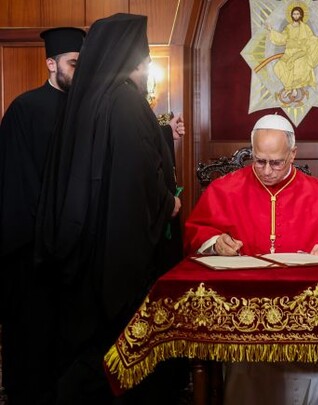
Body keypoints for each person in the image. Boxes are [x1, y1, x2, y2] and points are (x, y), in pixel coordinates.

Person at [34, 14, 184, 404]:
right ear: (133, 59)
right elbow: (136, 180)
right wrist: (168, 202)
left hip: (86, 248)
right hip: (117, 256)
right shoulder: (126, 102)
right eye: (145, 59)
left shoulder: (90, 98)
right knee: (116, 353)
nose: (146, 67)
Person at [184, 113, 318, 405]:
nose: (267, 170)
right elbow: (196, 233)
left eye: (276, 162)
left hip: (304, 318)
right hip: (242, 313)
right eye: (259, 161)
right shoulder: (224, 189)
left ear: (293, 154)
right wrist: (215, 243)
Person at [0, 26, 84, 405]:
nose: (79, 71)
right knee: (32, 339)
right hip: (32, 249)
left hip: (75, 247)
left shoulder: (87, 109)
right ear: (51, 63)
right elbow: (15, 181)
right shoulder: (25, 108)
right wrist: (44, 233)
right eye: (73, 63)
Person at [265, 4, 318, 102]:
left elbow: (311, 38)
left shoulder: (305, 27)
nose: (296, 16)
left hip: (301, 53)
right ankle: (289, 87)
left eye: (298, 14)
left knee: (296, 66)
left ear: (301, 15)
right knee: (278, 67)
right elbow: (282, 38)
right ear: (291, 15)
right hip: (289, 52)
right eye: (294, 14)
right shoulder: (288, 27)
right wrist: (271, 31)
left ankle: (291, 89)